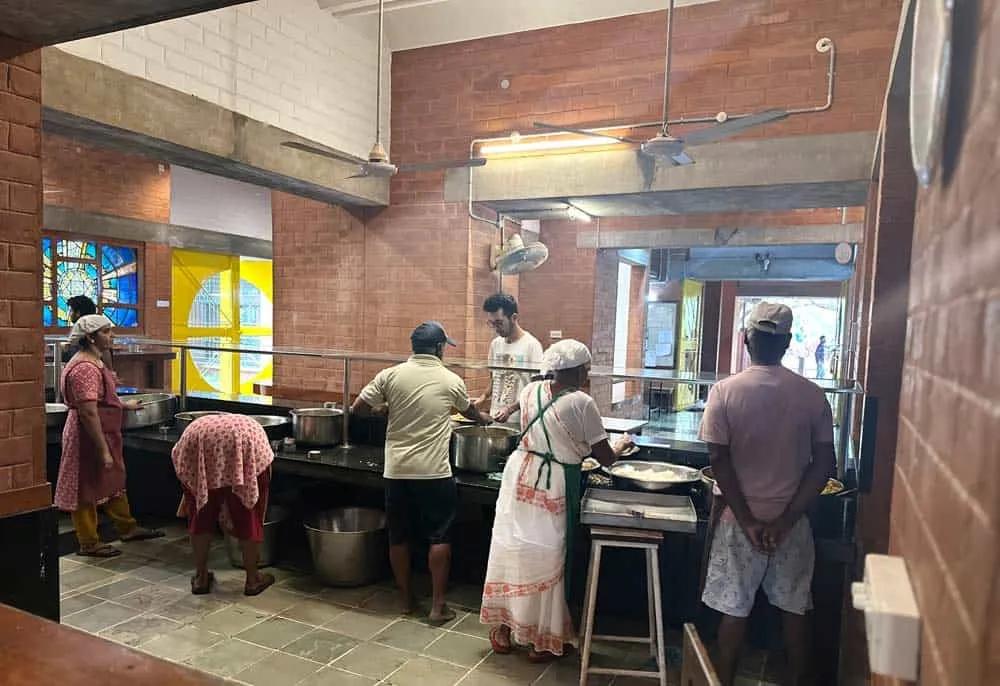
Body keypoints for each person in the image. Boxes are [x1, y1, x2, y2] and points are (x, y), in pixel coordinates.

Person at [699, 303, 836, 686]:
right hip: (793, 526)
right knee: (795, 612)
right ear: (788, 342)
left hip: (738, 524)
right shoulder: (811, 395)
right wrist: (786, 520)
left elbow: (718, 460)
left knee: (733, 611)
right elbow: (824, 463)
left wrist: (747, 521)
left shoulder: (724, 392)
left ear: (746, 340)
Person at [480, 339, 634, 662]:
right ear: (577, 371)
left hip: (520, 474)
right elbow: (604, 457)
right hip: (554, 484)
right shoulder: (582, 402)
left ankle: (505, 627)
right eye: (586, 370)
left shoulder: (529, 392)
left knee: (513, 548)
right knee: (550, 556)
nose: (588, 375)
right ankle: (540, 640)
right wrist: (621, 445)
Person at [352, 321, 492, 623]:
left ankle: (405, 600)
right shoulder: (450, 379)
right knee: (439, 535)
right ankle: (438, 606)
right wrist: (485, 418)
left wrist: (383, 409)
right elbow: (470, 413)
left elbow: (357, 409)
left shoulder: (390, 375)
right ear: (440, 348)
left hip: (397, 470)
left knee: (398, 536)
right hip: (434, 472)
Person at [54, 314, 163, 557]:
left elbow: (99, 400)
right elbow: (88, 412)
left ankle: (127, 527)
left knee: (113, 480)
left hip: (103, 432)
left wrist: (123, 405)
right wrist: (103, 449)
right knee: (85, 487)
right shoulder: (84, 368)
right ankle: (88, 542)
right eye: (105, 332)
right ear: (90, 337)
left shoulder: (96, 362)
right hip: (88, 436)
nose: (111, 336)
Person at [172, 414, 275, 596]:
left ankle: (201, 577)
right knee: (247, 514)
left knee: (200, 514)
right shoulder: (256, 439)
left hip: (195, 440)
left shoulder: (203, 426)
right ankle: (253, 580)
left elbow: (191, 482)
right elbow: (255, 495)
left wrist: (199, 495)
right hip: (242, 443)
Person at [475, 293, 544, 425]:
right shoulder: (496, 344)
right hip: (495, 417)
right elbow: (494, 378)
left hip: (520, 420)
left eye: (499, 323)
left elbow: (537, 388)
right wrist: (483, 397)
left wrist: (510, 409)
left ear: (514, 317)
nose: (495, 328)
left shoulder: (532, 345)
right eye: (492, 323)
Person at [62, 295, 98, 362]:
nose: (69, 314)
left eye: (71, 311)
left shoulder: (81, 329)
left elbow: (69, 354)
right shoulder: (95, 328)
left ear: (78, 313)